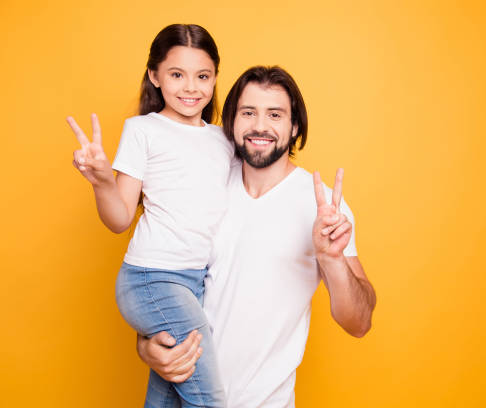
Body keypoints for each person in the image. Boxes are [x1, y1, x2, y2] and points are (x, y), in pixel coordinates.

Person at [137, 66, 376, 407]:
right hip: (179, 397)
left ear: (294, 127)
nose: (260, 126)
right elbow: (160, 276)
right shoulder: (205, 183)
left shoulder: (322, 206)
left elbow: (360, 323)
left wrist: (332, 259)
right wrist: (146, 345)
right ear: (232, 121)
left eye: (275, 115)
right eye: (248, 113)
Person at [67, 24, 231, 407]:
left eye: (202, 76)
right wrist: (103, 182)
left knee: (170, 388)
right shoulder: (143, 130)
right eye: (177, 75)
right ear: (155, 76)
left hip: (198, 284)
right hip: (151, 278)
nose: (191, 88)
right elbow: (120, 218)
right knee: (208, 398)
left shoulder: (223, 140)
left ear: (214, 79)